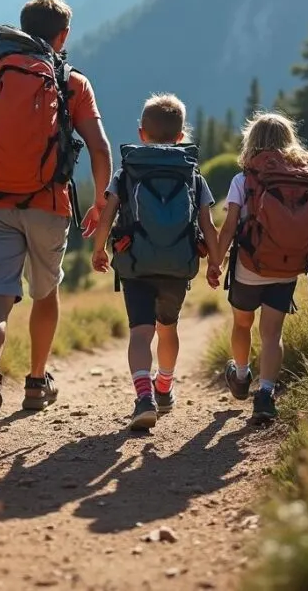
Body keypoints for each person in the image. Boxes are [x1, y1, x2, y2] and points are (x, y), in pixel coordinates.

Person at [0, 0, 113, 442]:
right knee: (45, 291)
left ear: (22, 29)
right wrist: (100, 202)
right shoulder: (71, 80)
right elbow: (99, 147)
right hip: (49, 203)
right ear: (62, 37)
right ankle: (37, 383)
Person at [91, 94, 221, 431]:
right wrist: (215, 263)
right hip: (177, 266)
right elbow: (208, 226)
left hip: (135, 264)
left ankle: (143, 396)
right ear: (181, 137)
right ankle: (164, 387)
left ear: (141, 133)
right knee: (167, 329)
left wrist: (100, 249)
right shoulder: (192, 174)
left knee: (139, 332)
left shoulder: (128, 171)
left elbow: (107, 214)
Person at [211, 112, 308, 424]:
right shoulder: (301, 180)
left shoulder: (243, 181)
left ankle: (240, 373)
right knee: (273, 331)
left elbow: (230, 227)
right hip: (288, 268)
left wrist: (216, 261)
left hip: (250, 266)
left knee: (242, 324)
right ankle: (265, 393)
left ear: (251, 143)